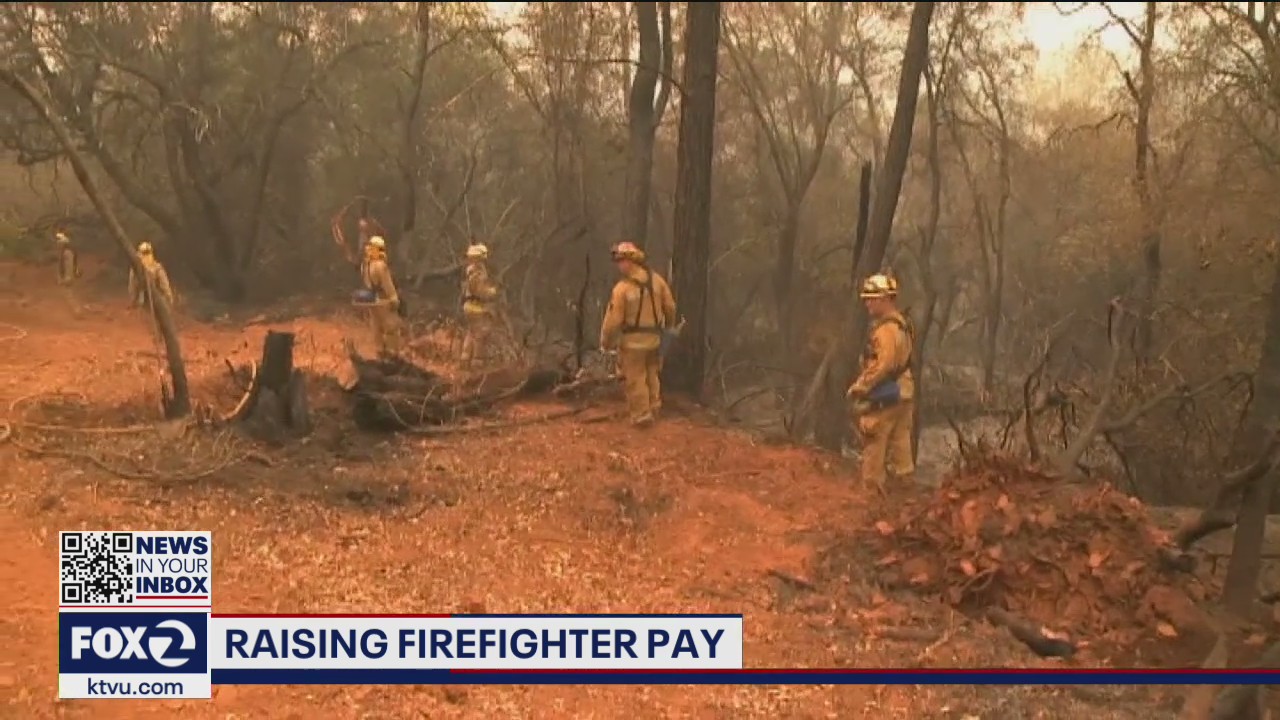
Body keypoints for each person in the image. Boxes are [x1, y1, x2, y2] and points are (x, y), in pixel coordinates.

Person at [846, 273, 915, 490]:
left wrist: (861, 386)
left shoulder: (885, 330)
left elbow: (882, 364)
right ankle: (906, 493)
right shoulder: (902, 325)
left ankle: (871, 495)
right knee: (901, 444)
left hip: (886, 394)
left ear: (885, 299)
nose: (867, 303)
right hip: (904, 391)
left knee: (874, 440)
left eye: (871, 298)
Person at [599, 241, 677, 427]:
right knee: (652, 373)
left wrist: (605, 342)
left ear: (630, 261)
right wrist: (668, 327)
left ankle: (642, 414)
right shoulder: (657, 281)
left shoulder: (622, 289)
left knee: (635, 378)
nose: (619, 265)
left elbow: (612, 321)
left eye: (620, 261)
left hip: (632, 344)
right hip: (655, 340)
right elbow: (670, 307)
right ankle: (654, 406)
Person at [361, 236, 403, 356]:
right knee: (392, 329)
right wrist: (394, 299)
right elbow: (387, 284)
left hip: (373, 301)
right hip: (384, 301)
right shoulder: (380, 266)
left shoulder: (365, 266)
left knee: (376, 329)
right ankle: (392, 356)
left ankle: (379, 354)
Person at [459, 243, 500, 367]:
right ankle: (477, 362)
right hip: (475, 306)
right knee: (481, 334)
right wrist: (492, 291)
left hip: (469, 305)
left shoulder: (470, 270)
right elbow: (480, 291)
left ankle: (464, 359)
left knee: (471, 332)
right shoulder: (477, 273)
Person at [128, 242, 175, 309]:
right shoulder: (157, 267)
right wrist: (169, 298)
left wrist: (168, 298)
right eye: (145, 253)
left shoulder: (157, 268)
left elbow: (132, 287)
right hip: (146, 299)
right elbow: (165, 286)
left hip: (155, 299)